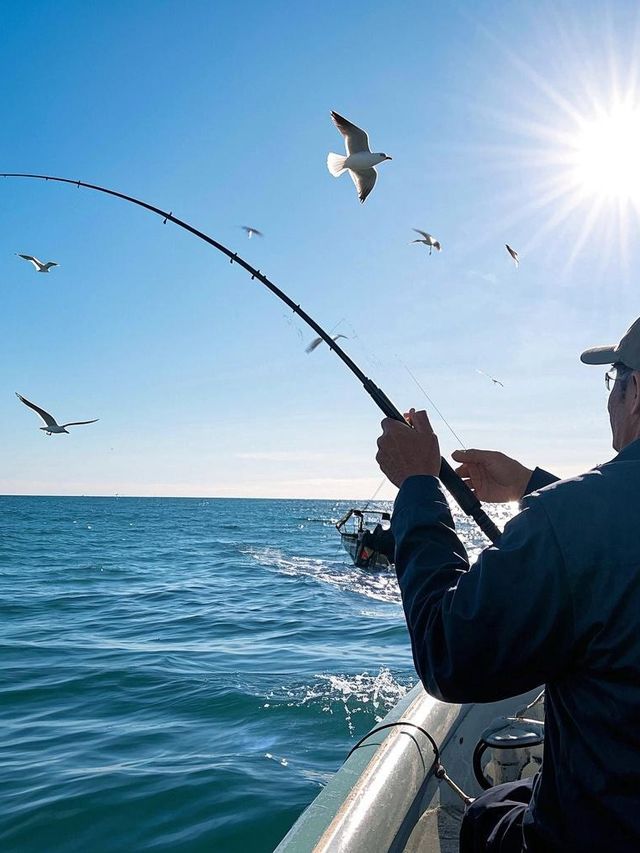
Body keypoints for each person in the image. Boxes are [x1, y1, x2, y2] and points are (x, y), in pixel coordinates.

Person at [375, 316, 640, 853]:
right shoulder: (582, 515)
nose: (608, 399)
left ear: (636, 393)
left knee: (487, 814)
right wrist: (531, 486)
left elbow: (450, 655)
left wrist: (420, 487)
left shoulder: (576, 517)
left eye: (613, 380)